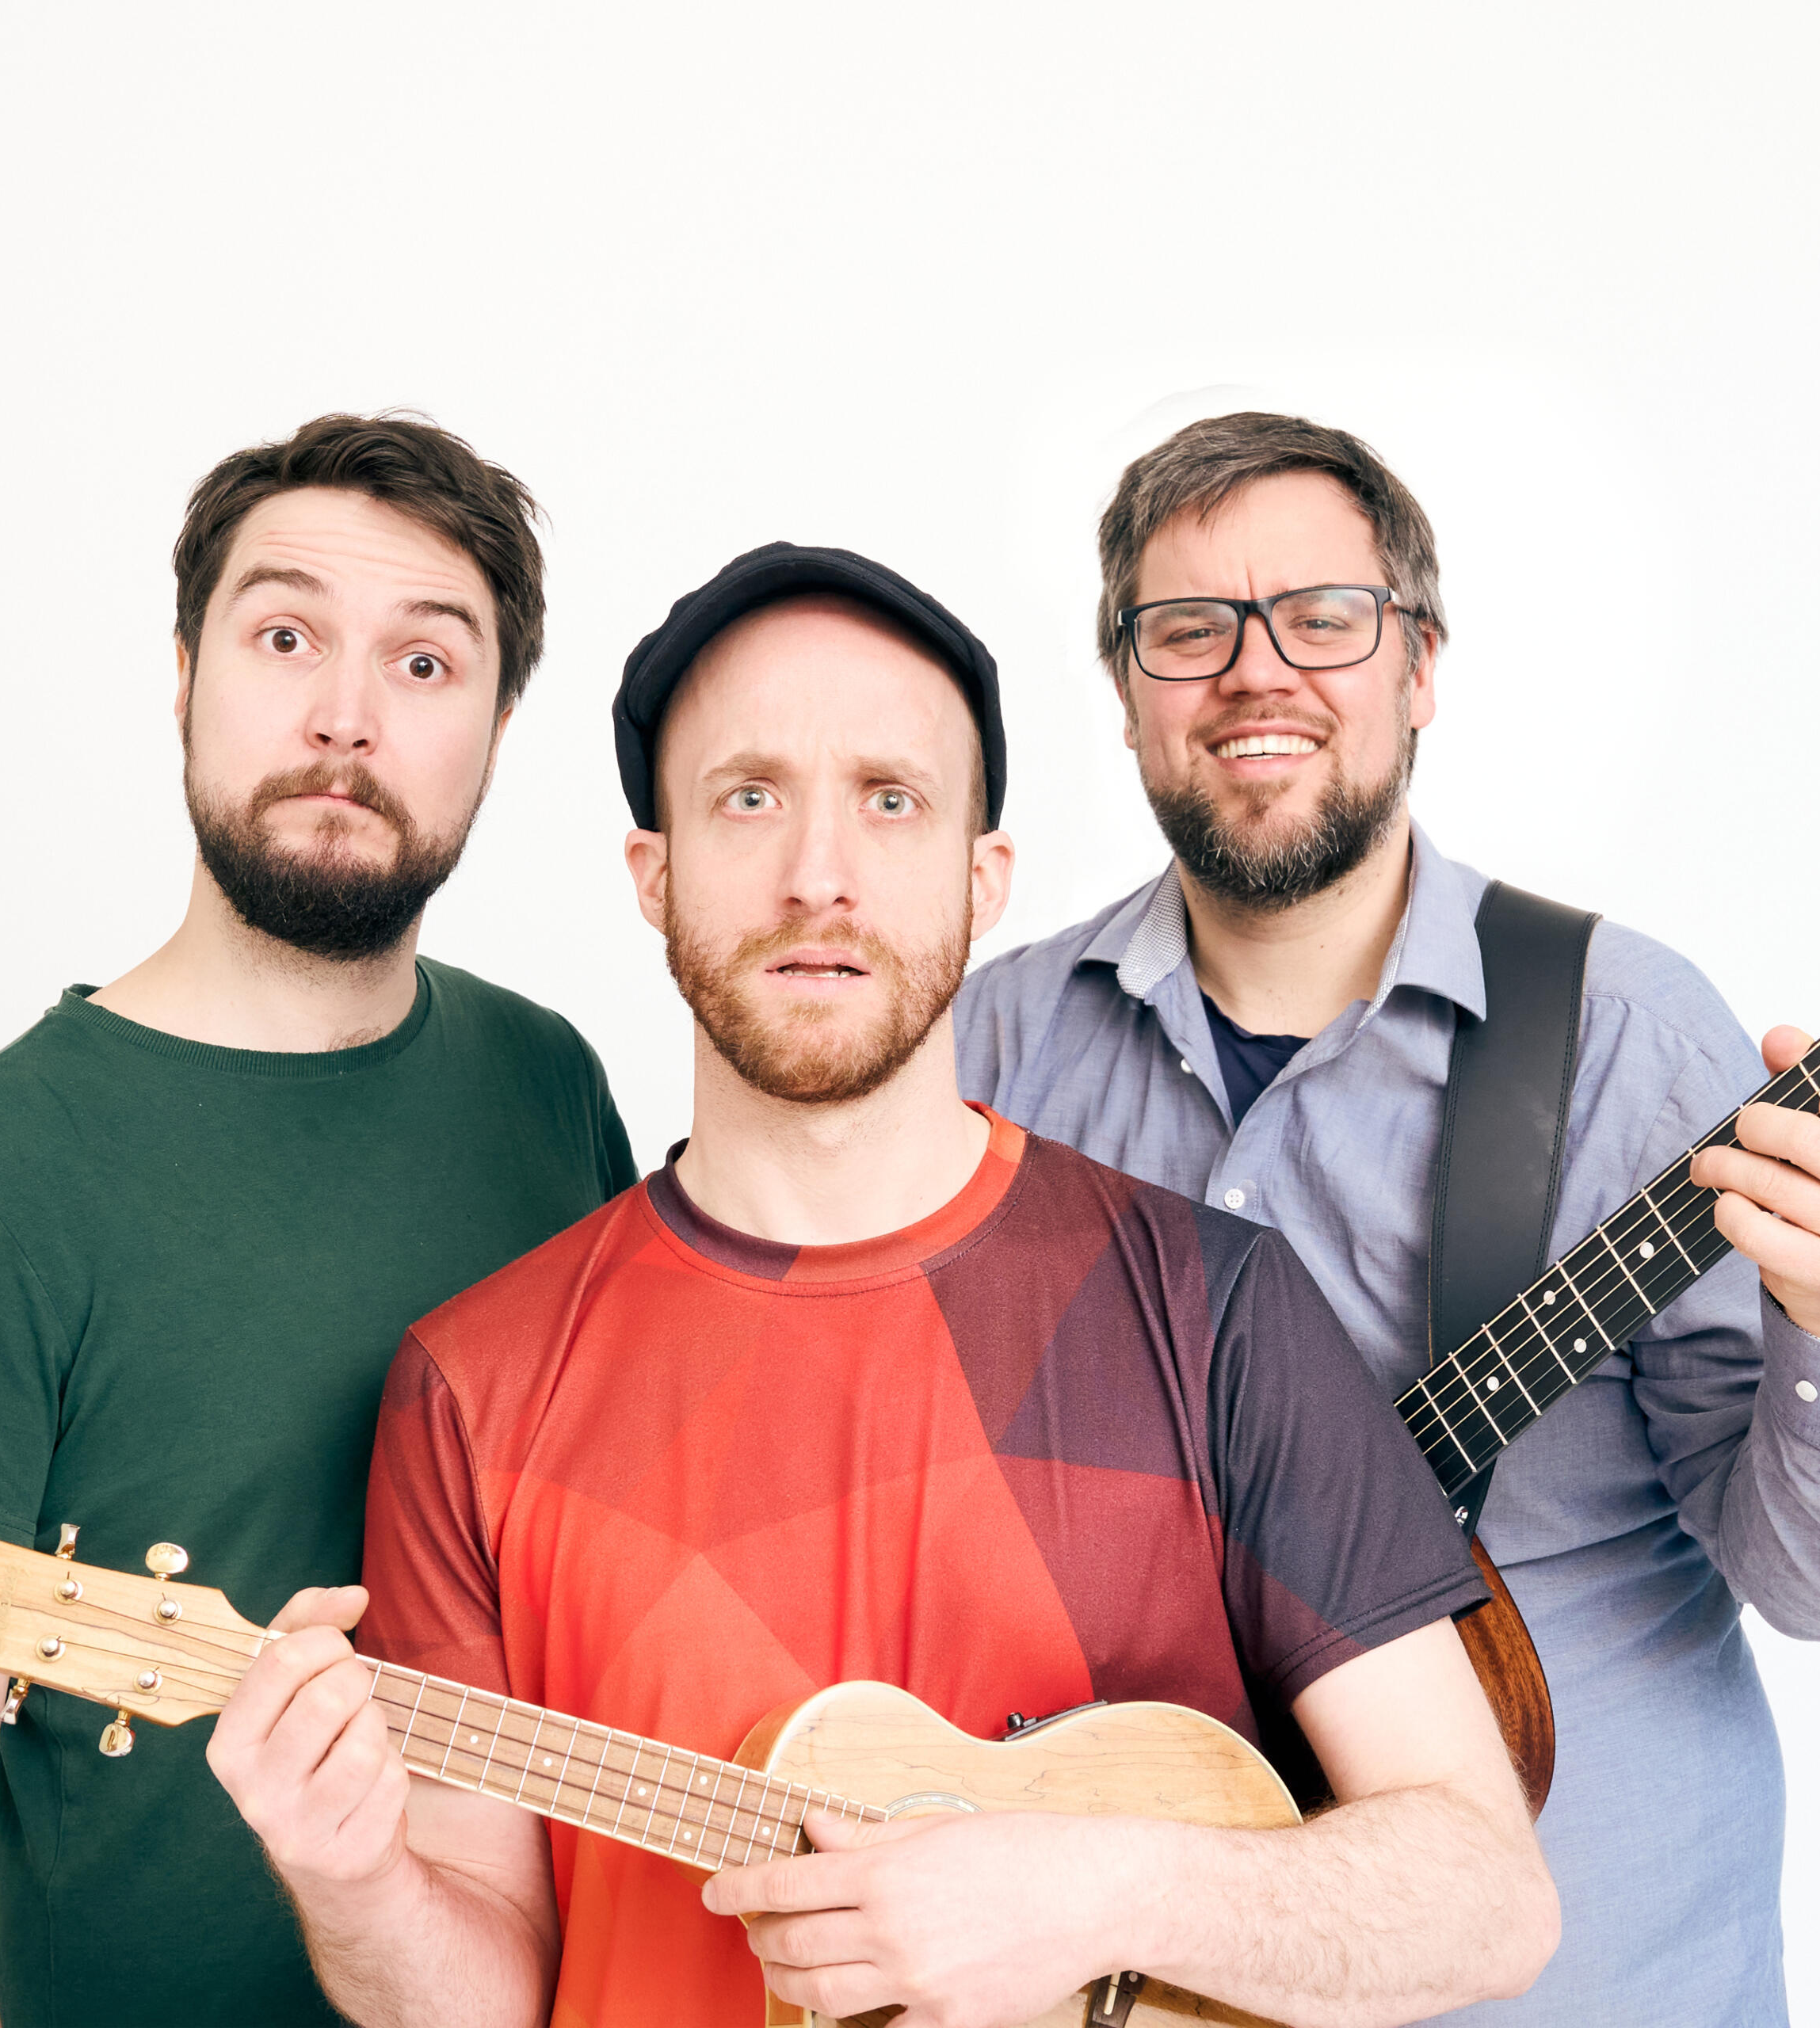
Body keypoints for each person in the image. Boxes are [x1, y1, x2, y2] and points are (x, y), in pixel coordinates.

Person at [203, 543, 1563, 2028]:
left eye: (891, 799)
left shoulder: (1216, 1306)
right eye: (749, 797)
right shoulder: (472, 1388)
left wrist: (1095, 1895)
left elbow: (1485, 1900)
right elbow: (483, 2001)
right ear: (655, 876)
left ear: (984, 880)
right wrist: (355, 1888)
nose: (819, 874)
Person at [949, 413, 1820, 2026]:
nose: (1257, 673)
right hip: (1127, 1981)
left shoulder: (1623, 1036)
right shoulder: (987, 1049)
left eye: (1324, 619)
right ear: (1127, 690)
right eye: (1190, 629)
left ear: (1420, 666)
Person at [0, 414, 636, 2028]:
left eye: (424, 664)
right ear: (185, 677)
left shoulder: (550, 1088)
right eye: (286, 637)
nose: (345, 716)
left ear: (496, 731)